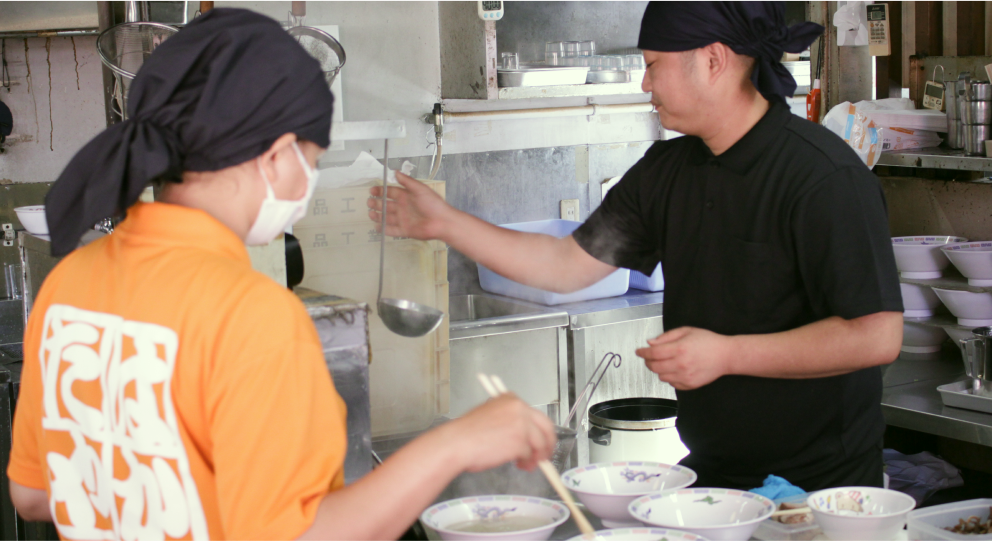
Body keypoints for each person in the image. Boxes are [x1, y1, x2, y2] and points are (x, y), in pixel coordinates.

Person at [8, 9, 556, 541]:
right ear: (275, 157)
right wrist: (454, 444)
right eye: (311, 160)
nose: (308, 180)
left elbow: (32, 495)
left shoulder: (68, 285)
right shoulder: (251, 315)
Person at [369, 0, 903, 491]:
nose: (646, 82)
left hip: (821, 490)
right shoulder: (667, 173)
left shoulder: (823, 176)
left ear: (713, 60)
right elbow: (565, 265)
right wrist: (445, 223)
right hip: (714, 480)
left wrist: (728, 353)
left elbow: (876, 335)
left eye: (653, 64)